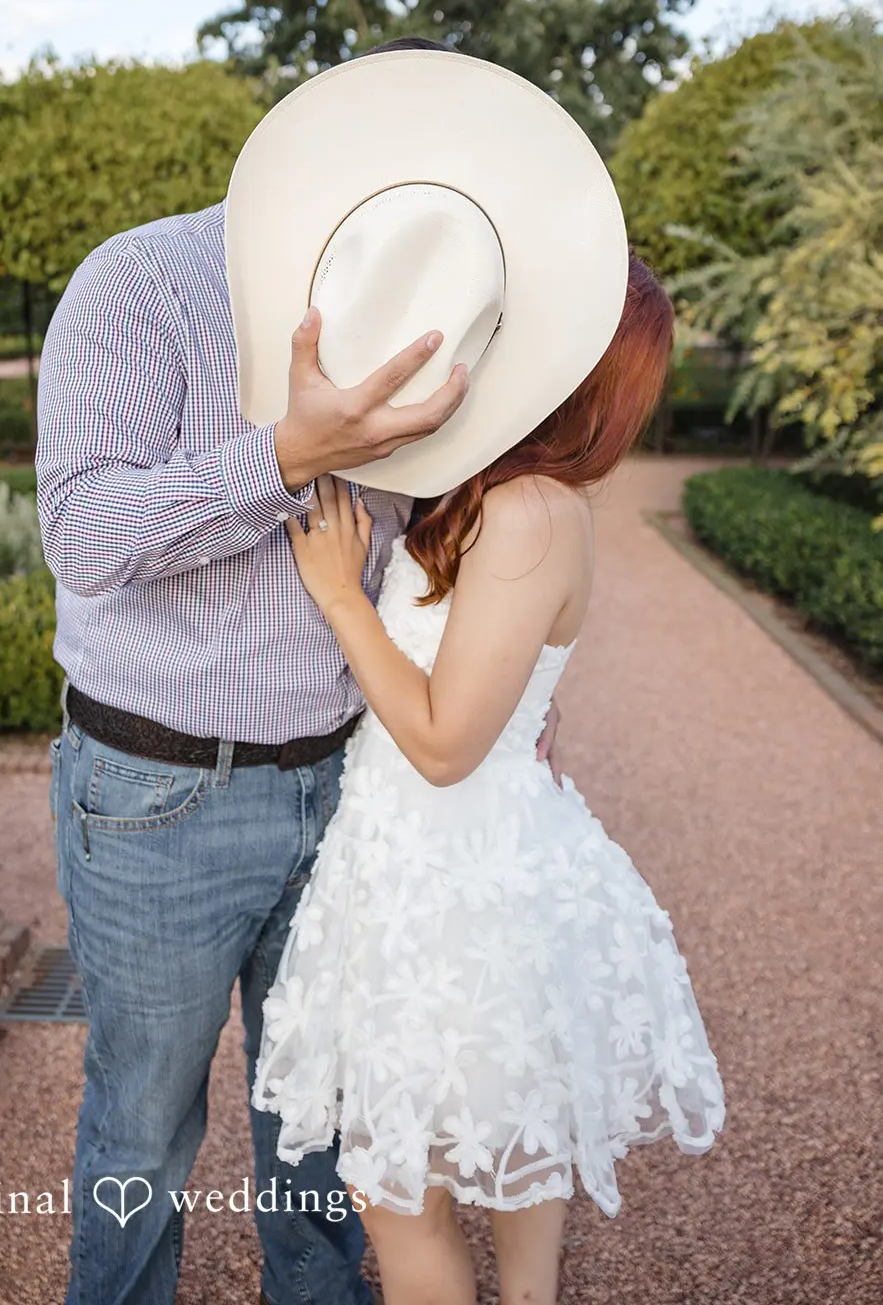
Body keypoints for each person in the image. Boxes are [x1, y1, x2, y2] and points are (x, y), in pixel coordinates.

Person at [36, 36, 563, 1305]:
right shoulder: (142, 286)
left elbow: (461, 555)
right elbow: (86, 536)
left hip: (354, 792)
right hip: (160, 790)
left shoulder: (441, 297)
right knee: (143, 1129)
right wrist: (281, 452)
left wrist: (525, 724)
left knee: (322, 1131)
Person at [251, 254, 726, 1305]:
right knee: (514, 1168)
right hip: (442, 857)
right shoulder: (498, 494)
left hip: (453, 875)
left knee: (400, 1194)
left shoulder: (527, 512)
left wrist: (341, 598)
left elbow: (440, 740)